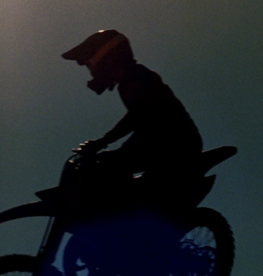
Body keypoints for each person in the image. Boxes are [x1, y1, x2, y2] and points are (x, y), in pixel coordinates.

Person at [62, 29, 203, 202]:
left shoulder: (135, 79)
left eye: (90, 64)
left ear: (107, 59)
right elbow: (138, 117)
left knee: (110, 167)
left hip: (175, 145)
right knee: (113, 164)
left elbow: (141, 120)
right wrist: (105, 144)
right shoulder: (132, 78)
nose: (91, 72)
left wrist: (104, 143)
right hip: (171, 143)